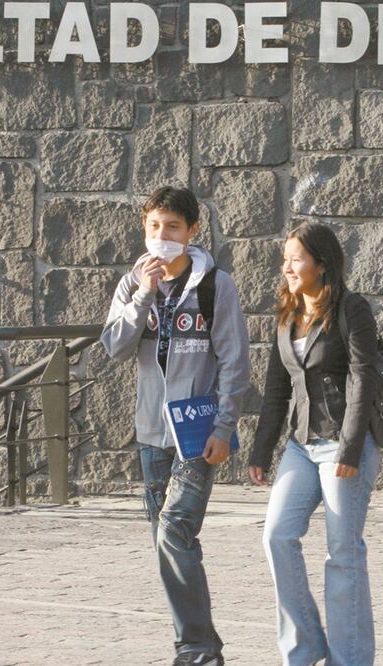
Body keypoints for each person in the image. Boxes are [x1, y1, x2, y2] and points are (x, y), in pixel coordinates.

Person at [100, 186, 251, 666]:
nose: (162, 237)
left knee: (174, 531)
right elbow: (115, 347)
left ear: (191, 232)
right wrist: (144, 294)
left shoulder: (214, 285)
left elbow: (234, 361)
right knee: (168, 541)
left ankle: (196, 650)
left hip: (198, 430)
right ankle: (201, 642)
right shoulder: (133, 284)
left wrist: (224, 427)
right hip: (151, 430)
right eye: (153, 227)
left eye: (172, 227)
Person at [249, 222, 382, 666]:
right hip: (301, 446)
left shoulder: (352, 309)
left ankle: (350, 659)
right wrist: (261, 450)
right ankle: (304, 648)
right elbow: (275, 389)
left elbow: (364, 377)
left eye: (296, 258)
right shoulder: (287, 315)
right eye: (285, 258)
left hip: (343, 445)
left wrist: (350, 447)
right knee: (277, 535)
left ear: (322, 265)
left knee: (343, 553)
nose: (287, 266)